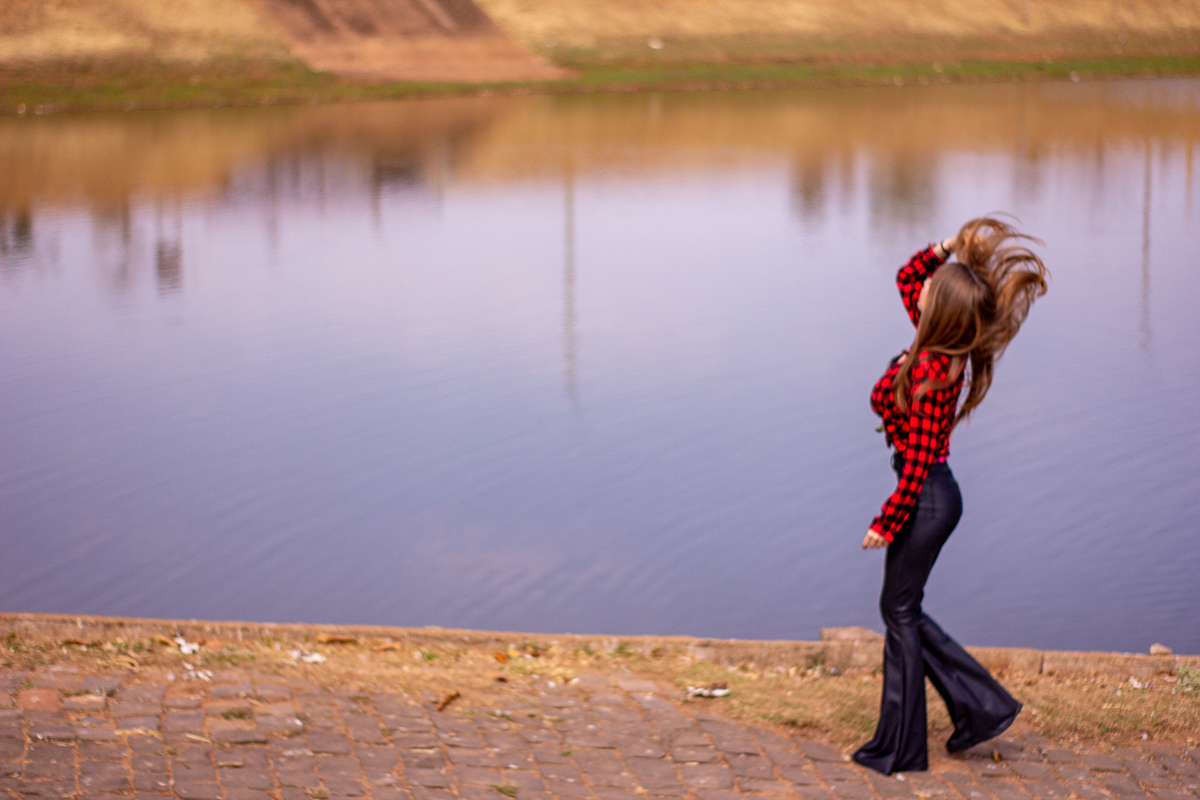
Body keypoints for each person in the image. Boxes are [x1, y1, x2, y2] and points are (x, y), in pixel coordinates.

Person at [853, 217, 1050, 776]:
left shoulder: (935, 372)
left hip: (928, 497)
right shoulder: (939, 339)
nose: (923, 288)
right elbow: (904, 274)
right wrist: (949, 246)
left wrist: (885, 522)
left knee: (898, 610)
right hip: (931, 493)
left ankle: (904, 747)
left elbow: (916, 466)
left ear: (940, 308)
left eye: (933, 290)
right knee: (903, 609)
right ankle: (980, 708)